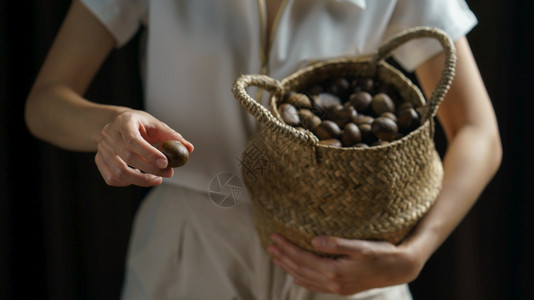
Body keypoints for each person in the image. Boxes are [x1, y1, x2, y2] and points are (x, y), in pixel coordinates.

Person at [25, 0, 502, 299]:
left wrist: (418, 250)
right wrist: (107, 126)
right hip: (189, 248)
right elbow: (46, 101)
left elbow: (478, 129)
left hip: (340, 262)